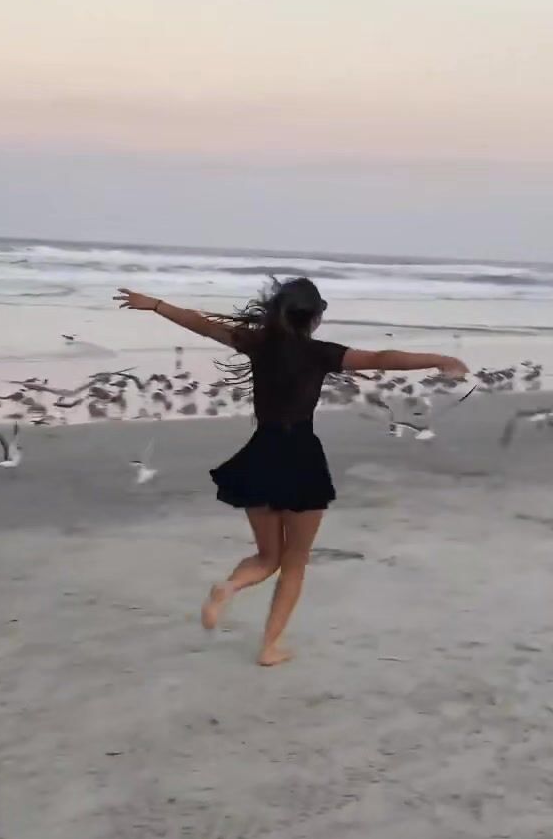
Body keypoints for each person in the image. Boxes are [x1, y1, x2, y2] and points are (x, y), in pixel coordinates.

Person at [115, 278, 468, 666]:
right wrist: (439, 359)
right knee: (294, 563)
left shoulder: (256, 343)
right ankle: (269, 648)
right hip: (300, 458)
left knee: (266, 558)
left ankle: (229, 587)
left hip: (259, 455)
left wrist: (156, 304)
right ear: (314, 318)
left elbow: (201, 325)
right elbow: (381, 357)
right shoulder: (320, 353)